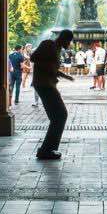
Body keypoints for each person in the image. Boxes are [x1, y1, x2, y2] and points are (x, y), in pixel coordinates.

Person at [30, 29, 76, 160]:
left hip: (47, 84)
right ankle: (46, 150)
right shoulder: (48, 44)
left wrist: (65, 76)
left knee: (58, 116)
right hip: (44, 84)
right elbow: (33, 57)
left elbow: (52, 68)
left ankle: (47, 149)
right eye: (69, 41)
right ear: (65, 39)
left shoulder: (56, 48)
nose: (70, 44)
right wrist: (49, 68)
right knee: (60, 115)